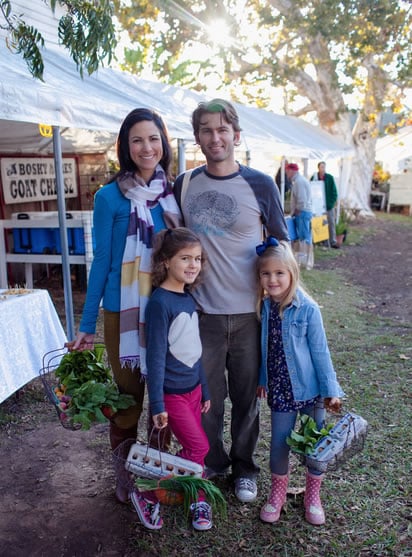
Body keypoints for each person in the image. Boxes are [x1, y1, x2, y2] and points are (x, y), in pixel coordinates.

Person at [173, 98, 289, 504]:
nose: (215, 137)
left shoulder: (260, 183)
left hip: (249, 315)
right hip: (200, 314)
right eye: (206, 129)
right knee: (205, 400)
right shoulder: (184, 184)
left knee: (246, 399)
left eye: (222, 129)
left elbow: (282, 244)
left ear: (236, 135)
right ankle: (212, 463)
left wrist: (282, 299)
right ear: (197, 137)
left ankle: (244, 467)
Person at [72, 108, 181, 504]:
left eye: (153, 138)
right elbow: (101, 260)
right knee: (128, 401)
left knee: (164, 398)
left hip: (167, 311)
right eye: (137, 139)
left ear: (163, 143)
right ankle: (125, 476)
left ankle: (155, 474)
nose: (146, 147)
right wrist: (87, 324)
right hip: (123, 313)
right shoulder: (108, 197)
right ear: (125, 146)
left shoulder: (174, 193)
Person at [255, 237, 344, 525]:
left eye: (279, 273)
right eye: (266, 273)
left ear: (292, 273)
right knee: (279, 445)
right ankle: (277, 495)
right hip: (280, 391)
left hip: (311, 392)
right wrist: (262, 379)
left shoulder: (308, 309)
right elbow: (263, 347)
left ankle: (312, 496)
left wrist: (331, 391)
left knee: (313, 447)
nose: (272, 279)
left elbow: (320, 352)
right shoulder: (265, 306)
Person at [134, 227, 212, 531]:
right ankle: (147, 493)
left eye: (198, 259)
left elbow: (194, 350)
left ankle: (196, 497)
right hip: (171, 396)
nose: (193, 265)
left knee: (194, 449)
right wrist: (156, 404)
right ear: (166, 261)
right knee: (199, 448)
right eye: (185, 258)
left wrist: (204, 387)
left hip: (193, 392)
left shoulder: (188, 298)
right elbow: (154, 358)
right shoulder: (159, 303)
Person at [286, 162, 314, 269]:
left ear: (292, 171)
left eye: (287, 171)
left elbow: (301, 199)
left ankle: (305, 261)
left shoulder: (299, 182)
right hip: (303, 212)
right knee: (304, 236)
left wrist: (297, 210)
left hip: (302, 212)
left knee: (304, 238)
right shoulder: (299, 180)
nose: (287, 174)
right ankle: (305, 260)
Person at [311, 161, 339, 248]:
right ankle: (320, 241)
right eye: (321, 167)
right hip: (317, 206)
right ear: (318, 168)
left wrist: (330, 204)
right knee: (319, 222)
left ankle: (332, 241)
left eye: (324, 167)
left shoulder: (329, 178)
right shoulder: (314, 177)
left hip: (328, 206)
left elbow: (334, 192)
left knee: (330, 223)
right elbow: (311, 189)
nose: (322, 168)